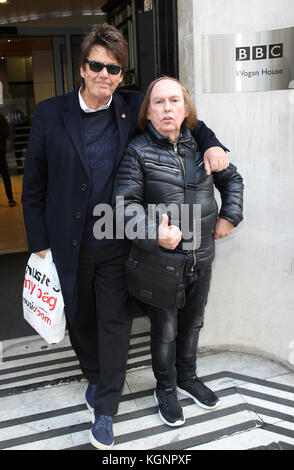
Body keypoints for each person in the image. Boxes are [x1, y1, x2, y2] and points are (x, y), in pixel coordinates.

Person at [22, 23, 230, 450]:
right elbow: (34, 186)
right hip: (67, 242)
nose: (104, 75)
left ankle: (106, 409)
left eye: (113, 69)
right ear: (82, 68)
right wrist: (39, 242)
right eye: (96, 65)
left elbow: (185, 118)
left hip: (117, 240)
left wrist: (212, 144)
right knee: (80, 320)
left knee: (114, 321)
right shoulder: (49, 113)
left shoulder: (132, 106)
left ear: (121, 74)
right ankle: (97, 379)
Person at [113, 76, 244, 427]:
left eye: (174, 101)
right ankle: (166, 388)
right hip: (161, 263)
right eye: (159, 102)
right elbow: (124, 206)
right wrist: (155, 233)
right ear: (149, 112)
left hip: (201, 256)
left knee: (193, 323)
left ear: (185, 109)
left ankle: (188, 377)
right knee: (166, 329)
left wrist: (230, 216)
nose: (167, 108)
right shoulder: (138, 150)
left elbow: (233, 180)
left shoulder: (202, 147)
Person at [0, 113, 16, 207]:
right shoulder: (1, 116)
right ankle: (10, 199)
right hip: (0, 151)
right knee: (5, 176)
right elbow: (6, 133)